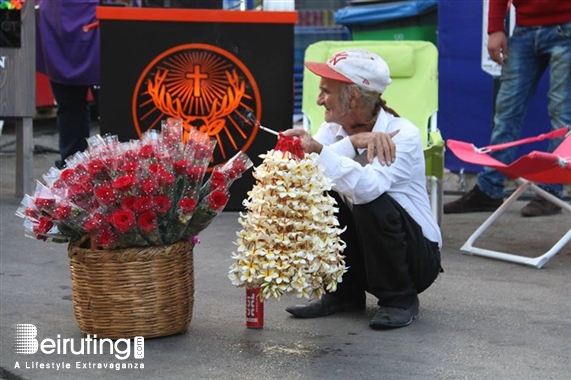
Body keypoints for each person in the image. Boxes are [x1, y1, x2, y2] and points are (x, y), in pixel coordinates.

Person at [283, 49, 443, 330]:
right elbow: (305, 175)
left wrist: (321, 151)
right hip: (369, 254)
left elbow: (368, 188)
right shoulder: (333, 129)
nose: (320, 100)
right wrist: (353, 141)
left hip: (416, 259)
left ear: (352, 97)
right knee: (314, 191)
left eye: (325, 92)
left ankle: (400, 300)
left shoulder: (401, 134)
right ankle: (344, 293)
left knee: (370, 199)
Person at [444, 0, 571, 217]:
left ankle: (551, 192)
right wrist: (495, 29)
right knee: (506, 112)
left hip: (567, 25)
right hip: (523, 30)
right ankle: (489, 190)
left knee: (562, 114)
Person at [36, 0, 101, 169]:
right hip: (58, 21)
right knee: (69, 106)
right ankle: (73, 170)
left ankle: (119, 171)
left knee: (113, 108)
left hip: (99, 19)